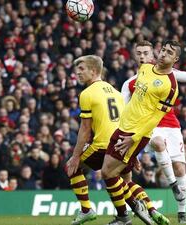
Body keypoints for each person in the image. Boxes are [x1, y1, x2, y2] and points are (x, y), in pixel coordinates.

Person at [122, 40, 186, 224]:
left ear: (152, 55)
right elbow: (124, 113)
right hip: (148, 125)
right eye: (139, 53)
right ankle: (172, 184)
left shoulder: (164, 73)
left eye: (146, 53)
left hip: (171, 124)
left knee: (180, 167)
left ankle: (182, 213)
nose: (142, 57)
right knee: (157, 142)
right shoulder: (129, 84)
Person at [65, 55, 155, 225]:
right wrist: (132, 153)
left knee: (72, 167)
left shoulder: (86, 94)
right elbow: (124, 123)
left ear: (93, 71)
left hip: (102, 145)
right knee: (117, 178)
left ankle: (87, 210)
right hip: (120, 145)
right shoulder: (116, 93)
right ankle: (133, 207)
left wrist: (75, 156)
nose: (77, 72)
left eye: (81, 69)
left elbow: (85, 129)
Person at [100, 40, 182, 225]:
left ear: (175, 59)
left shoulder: (170, 86)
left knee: (107, 173)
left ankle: (126, 215)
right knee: (122, 177)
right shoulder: (145, 68)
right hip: (123, 127)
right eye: (163, 50)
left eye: (169, 53)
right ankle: (145, 209)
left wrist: (135, 140)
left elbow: (155, 118)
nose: (163, 54)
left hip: (134, 134)